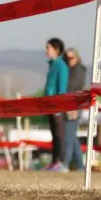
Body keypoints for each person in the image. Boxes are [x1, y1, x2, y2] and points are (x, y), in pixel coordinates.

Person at [43, 38, 69, 172]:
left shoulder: (61, 66)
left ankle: (61, 161)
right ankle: (54, 161)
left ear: (56, 50)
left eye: (48, 48)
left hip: (57, 107)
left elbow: (62, 88)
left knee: (60, 135)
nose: (46, 51)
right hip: (49, 105)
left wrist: (59, 107)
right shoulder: (52, 65)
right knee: (54, 134)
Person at [63, 47, 86, 171]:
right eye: (67, 58)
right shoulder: (69, 69)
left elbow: (72, 87)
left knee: (68, 135)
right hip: (68, 105)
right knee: (72, 137)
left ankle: (65, 163)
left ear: (77, 57)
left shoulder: (78, 70)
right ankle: (80, 166)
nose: (69, 60)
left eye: (71, 57)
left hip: (74, 105)